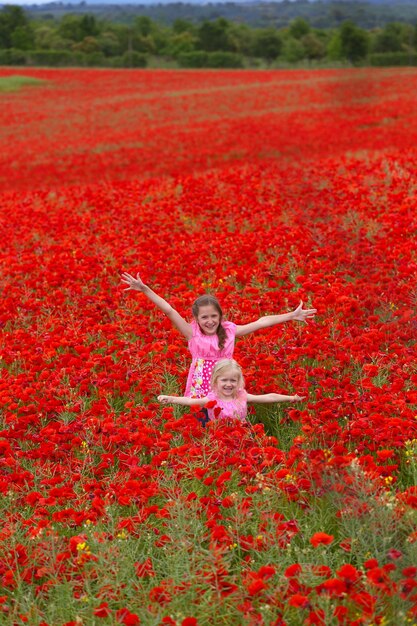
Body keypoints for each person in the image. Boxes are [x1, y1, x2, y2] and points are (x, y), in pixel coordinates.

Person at [121, 272, 316, 398]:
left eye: (214, 316)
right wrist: (145, 289)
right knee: (203, 422)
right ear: (196, 318)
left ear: (220, 316)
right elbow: (169, 310)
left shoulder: (230, 331)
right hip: (200, 388)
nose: (210, 321)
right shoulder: (192, 333)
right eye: (204, 317)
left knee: (229, 420)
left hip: (227, 384)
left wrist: (291, 315)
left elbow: (260, 322)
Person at [158, 359, 304, 423]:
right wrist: (171, 399)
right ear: (216, 381)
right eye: (224, 380)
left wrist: (291, 398)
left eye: (233, 381)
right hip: (220, 439)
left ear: (238, 382)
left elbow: (268, 397)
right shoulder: (211, 400)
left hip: (241, 438)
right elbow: (191, 401)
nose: (229, 384)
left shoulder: (241, 396)